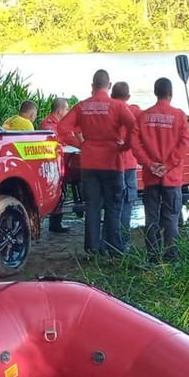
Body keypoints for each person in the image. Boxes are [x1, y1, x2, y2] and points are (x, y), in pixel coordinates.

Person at [56, 70, 133, 255]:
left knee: (92, 206)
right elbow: (133, 125)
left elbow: (62, 128)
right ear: (109, 85)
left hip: (89, 163)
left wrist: (81, 144)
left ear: (92, 86)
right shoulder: (117, 106)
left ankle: (92, 249)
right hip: (112, 162)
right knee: (113, 206)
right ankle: (114, 248)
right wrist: (124, 147)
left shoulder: (83, 106)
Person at [133, 76, 189, 262]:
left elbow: (134, 143)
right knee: (171, 216)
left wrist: (149, 163)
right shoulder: (179, 116)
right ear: (171, 93)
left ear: (155, 92)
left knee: (151, 217)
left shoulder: (144, 116)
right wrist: (168, 164)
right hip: (171, 176)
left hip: (151, 176)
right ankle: (171, 255)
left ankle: (152, 256)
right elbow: (184, 143)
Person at [111, 81, 142, 245]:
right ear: (128, 96)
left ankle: (110, 241)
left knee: (112, 204)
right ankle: (122, 242)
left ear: (111, 95)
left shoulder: (108, 110)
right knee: (127, 204)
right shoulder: (134, 110)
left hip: (109, 164)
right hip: (129, 164)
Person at [38, 95, 72, 233]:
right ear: (59, 111)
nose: (68, 113)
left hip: (56, 163)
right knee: (59, 192)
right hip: (53, 165)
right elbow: (57, 144)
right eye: (67, 110)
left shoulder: (52, 123)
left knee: (61, 192)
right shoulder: (49, 125)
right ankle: (55, 223)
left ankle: (56, 222)